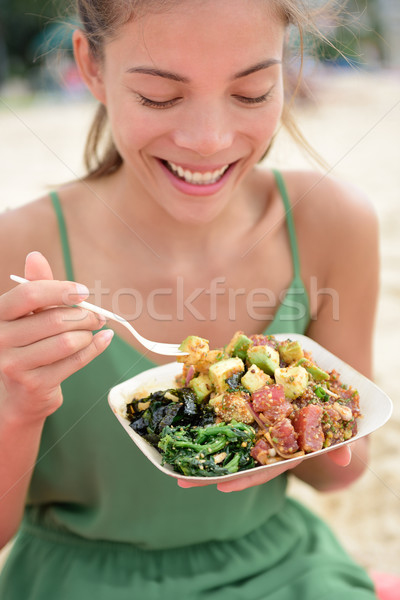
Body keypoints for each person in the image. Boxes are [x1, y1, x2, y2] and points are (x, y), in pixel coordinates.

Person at [0, 1, 380, 598]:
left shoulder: (332, 222)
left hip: (283, 570)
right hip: (78, 580)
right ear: (91, 67)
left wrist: (294, 419)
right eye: (159, 96)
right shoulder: (17, 251)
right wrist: (15, 408)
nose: (209, 140)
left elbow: (346, 473)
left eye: (253, 92)